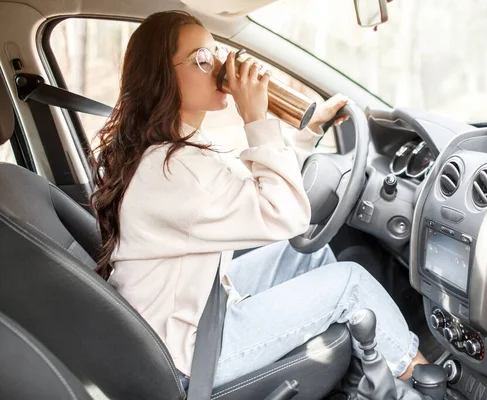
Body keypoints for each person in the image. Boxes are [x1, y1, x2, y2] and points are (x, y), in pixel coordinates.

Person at [90, 10, 427, 391]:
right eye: (203, 59)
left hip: (185, 314)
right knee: (350, 281)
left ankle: (376, 375)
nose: (219, 66)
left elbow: (244, 189)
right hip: (187, 352)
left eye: (215, 52)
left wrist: (305, 133)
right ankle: (423, 381)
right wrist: (255, 115)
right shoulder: (176, 169)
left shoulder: (167, 154)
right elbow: (286, 215)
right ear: (162, 76)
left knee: (304, 254)